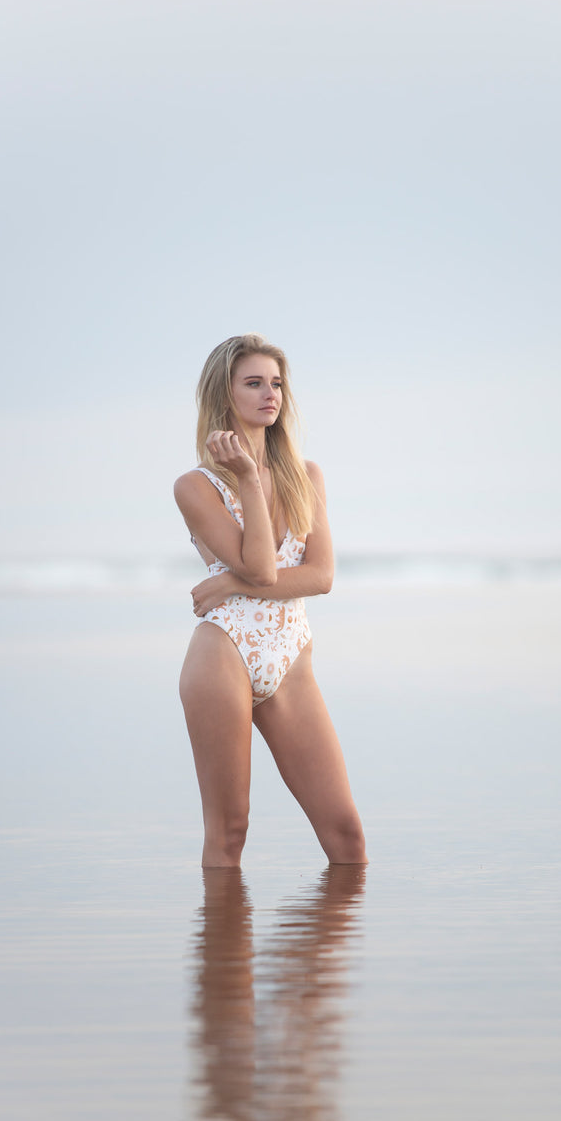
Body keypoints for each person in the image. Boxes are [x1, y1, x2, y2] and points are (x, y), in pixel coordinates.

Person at [174, 334, 368, 868]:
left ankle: (319, 953)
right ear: (224, 394)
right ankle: (226, 953)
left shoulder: (307, 475)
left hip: (290, 658)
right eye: (254, 383)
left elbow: (322, 576)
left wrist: (232, 584)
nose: (270, 394)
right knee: (230, 831)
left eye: (276, 383)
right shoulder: (196, 486)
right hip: (224, 654)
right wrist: (246, 480)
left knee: (347, 835)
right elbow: (262, 566)